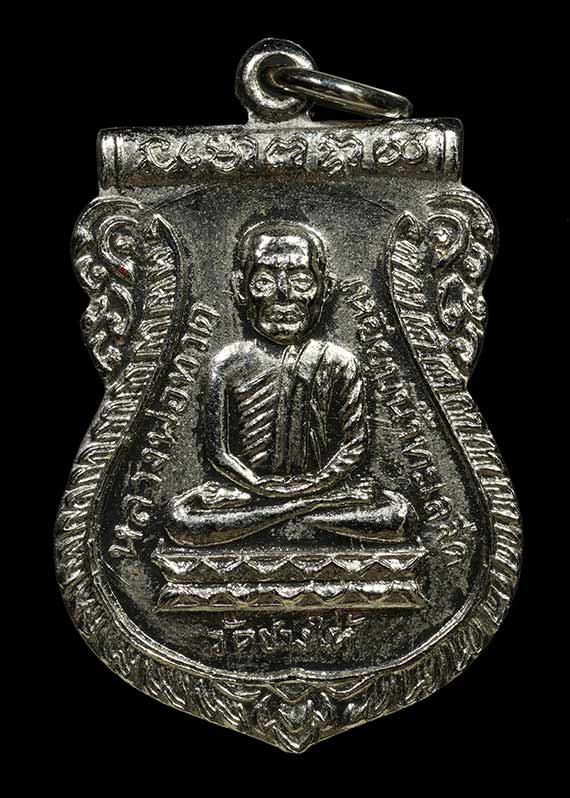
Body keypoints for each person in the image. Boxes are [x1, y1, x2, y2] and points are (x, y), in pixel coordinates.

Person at [166, 221, 410, 546]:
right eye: (264, 281)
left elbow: (354, 444)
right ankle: (302, 510)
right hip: (252, 493)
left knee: (396, 516)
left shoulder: (339, 361)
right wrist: (258, 485)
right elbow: (218, 453)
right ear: (240, 288)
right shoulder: (227, 363)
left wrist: (316, 484)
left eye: (301, 281)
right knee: (181, 520)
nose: (283, 294)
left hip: (313, 491)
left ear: (325, 287)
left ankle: (284, 512)